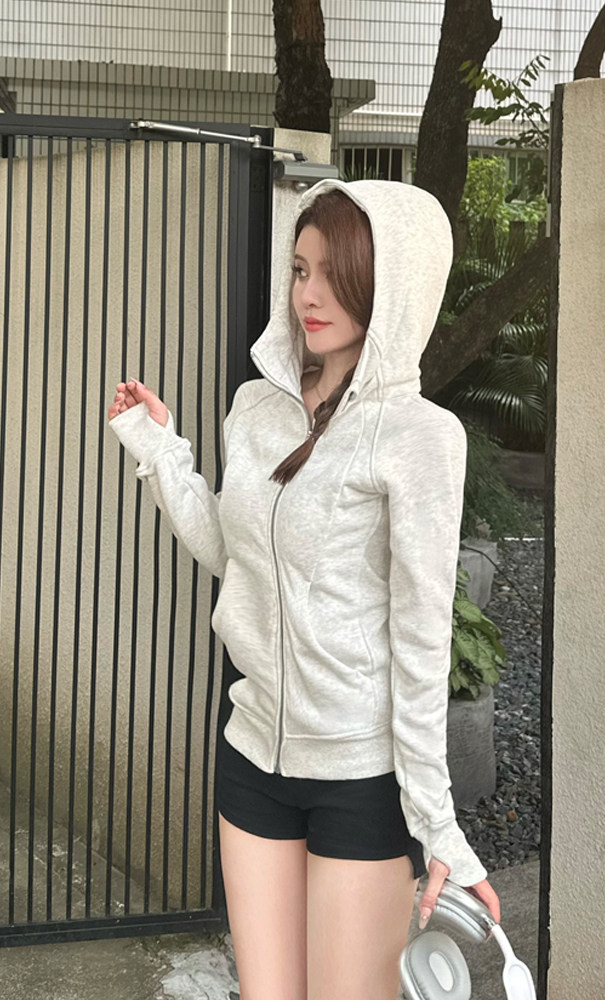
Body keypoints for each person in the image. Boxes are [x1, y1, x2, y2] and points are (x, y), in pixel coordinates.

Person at [107, 178, 501, 1000]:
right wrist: (162, 451)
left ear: (390, 286)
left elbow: (421, 637)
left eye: (334, 273)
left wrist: (437, 823)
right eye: (299, 269)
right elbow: (235, 553)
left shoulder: (421, 437)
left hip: (361, 778)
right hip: (252, 757)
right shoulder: (256, 407)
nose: (308, 295)